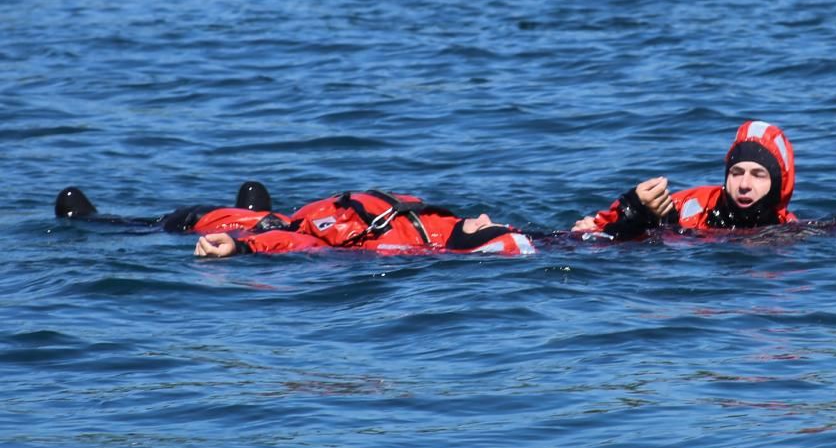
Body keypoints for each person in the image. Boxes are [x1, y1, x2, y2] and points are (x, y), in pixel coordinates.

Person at [55, 183, 535, 257]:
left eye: (486, 227)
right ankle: (253, 204)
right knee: (252, 207)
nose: (486, 216)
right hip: (279, 214)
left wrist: (241, 248)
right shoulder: (432, 220)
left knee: (167, 222)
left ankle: (91, 220)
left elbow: (311, 249)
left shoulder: (399, 248)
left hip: (255, 229)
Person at [572, 120, 796, 240]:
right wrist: (633, 210)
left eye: (758, 175)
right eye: (736, 173)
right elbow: (600, 234)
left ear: (777, 185)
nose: (744, 184)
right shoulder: (692, 206)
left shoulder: (792, 233)